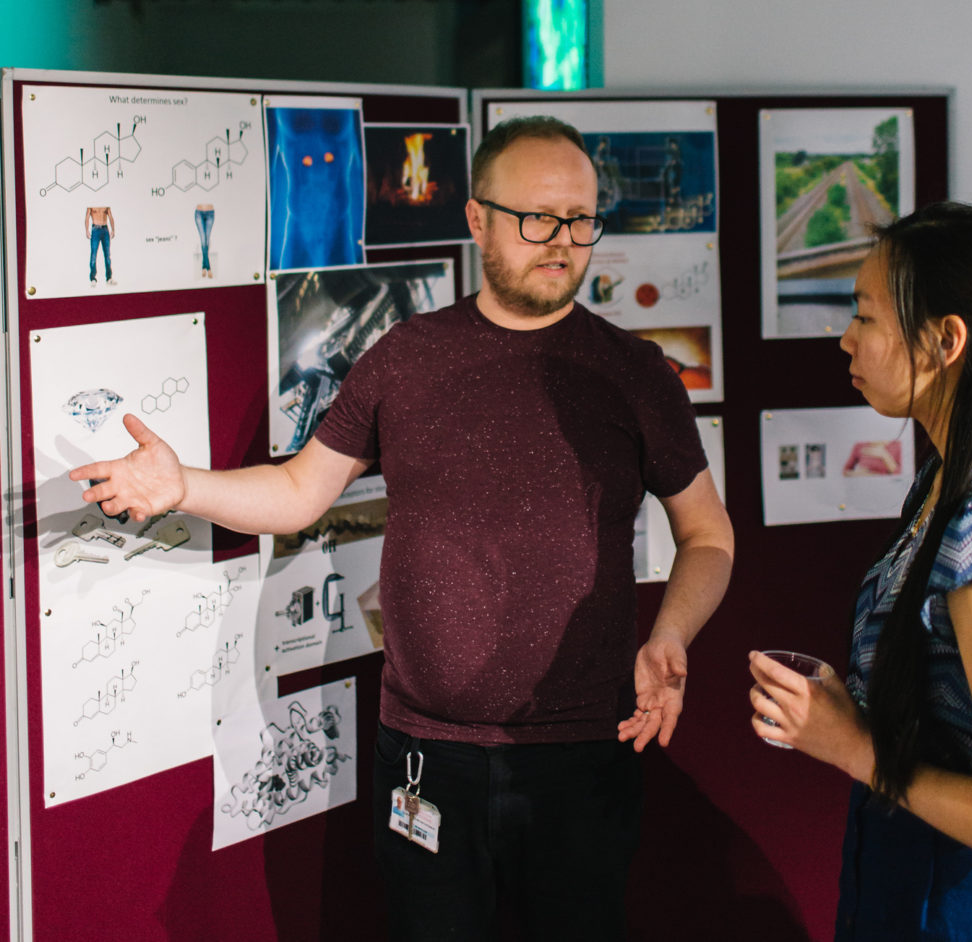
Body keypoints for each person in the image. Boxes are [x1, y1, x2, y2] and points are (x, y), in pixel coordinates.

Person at [71, 115, 733, 941]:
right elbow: (299, 492)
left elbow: (709, 535)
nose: (561, 241)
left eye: (579, 220)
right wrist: (182, 487)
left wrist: (672, 633)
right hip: (426, 758)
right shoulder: (405, 357)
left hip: (585, 755)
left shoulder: (633, 373)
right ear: (477, 219)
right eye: (536, 219)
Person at [748, 201, 972, 940]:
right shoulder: (950, 473)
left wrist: (848, 744)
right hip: (905, 869)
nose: (847, 339)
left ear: (946, 340)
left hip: (967, 901)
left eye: (866, 317)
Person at [85, 206, 115, 286]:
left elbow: (110, 216)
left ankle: (109, 278)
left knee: (107, 255)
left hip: (105, 229)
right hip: (95, 229)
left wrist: (113, 229)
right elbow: (87, 216)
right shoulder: (90, 205)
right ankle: (93, 278)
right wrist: (87, 230)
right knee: (93, 255)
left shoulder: (106, 205)